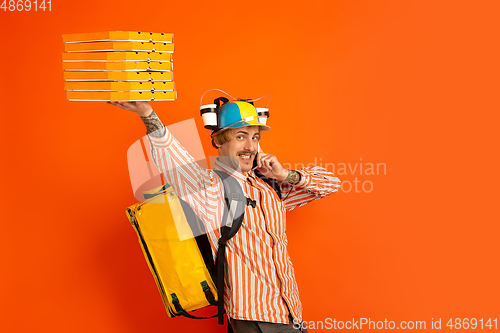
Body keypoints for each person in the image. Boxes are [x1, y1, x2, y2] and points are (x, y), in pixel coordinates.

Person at [109, 99, 341, 333]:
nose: (250, 145)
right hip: (256, 318)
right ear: (220, 140)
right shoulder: (211, 189)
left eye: (255, 137)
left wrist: (285, 174)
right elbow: (173, 160)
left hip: (290, 313)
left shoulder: (271, 188)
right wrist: (148, 114)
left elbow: (331, 183)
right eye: (241, 136)